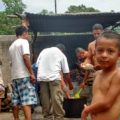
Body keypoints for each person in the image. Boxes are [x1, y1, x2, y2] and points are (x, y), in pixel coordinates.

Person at [81, 30, 120, 120]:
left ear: (118, 54)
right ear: (95, 53)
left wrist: (87, 110)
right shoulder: (98, 74)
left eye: (110, 51)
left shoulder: (117, 75)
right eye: (100, 50)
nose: (104, 55)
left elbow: (107, 104)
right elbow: (97, 98)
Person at [36, 44, 73, 120]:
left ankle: (47, 117)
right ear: (62, 50)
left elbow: (37, 65)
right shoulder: (61, 54)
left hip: (42, 78)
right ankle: (58, 117)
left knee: (44, 98)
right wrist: (70, 84)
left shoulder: (43, 51)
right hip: (54, 78)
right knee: (56, 98)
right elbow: (66, 72)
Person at [9, 26, 37, 120]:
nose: (28, 35)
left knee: (15, 101)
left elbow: (12, 63)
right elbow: (26, 57)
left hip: (15, 76)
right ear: (24, 33)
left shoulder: (11, 46)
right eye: (27, 33)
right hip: (24, 75)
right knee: (26, 101)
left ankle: (16, 119)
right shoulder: (24, 42)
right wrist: (32, 73)